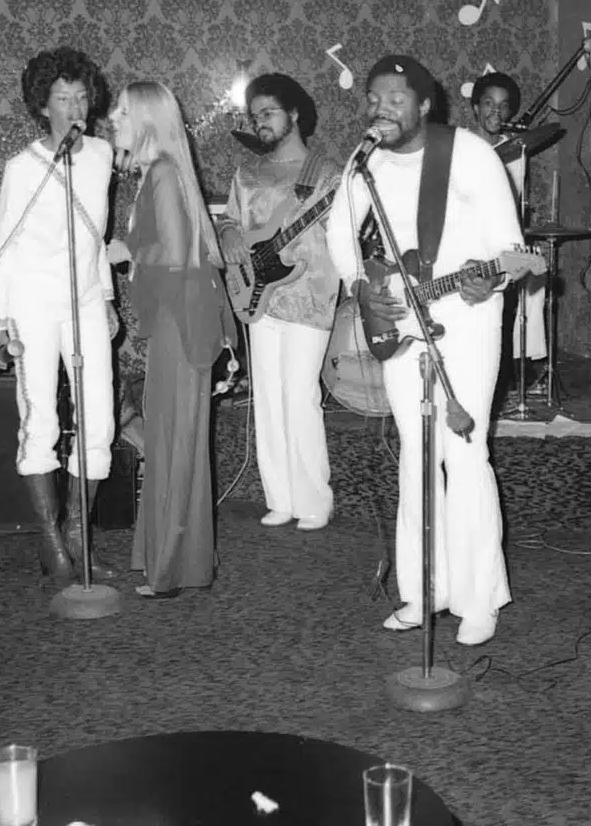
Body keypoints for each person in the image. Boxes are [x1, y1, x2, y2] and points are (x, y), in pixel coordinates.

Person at [326, 55, 529, 646]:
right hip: (401, 318)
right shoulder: (365, 161)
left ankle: (478, 598)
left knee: (464, 454)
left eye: (395, 99)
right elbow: (340, 231)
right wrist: (361, 288)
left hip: (466, 321)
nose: (381, 109)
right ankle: (423, 591)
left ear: (424, 104)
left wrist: (492, 279)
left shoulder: (469, 154)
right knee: (416, 456)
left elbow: (510, 249)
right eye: (373, 99)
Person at [0, 46, 119, 581]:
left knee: (100, 421)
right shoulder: (22, 168)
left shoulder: (102, 156)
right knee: (41, 418)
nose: (74, 107)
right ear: (43, 106)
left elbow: (95, 235)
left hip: (85, 302)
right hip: (33, 304)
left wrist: (105, 297)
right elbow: (3, 247)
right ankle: (50, 540)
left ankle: (78, 534)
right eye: (62, 98)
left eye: (81, 96)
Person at [112, 81, 234, 598]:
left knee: (174, 440)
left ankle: (170, 568)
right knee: (171, 438)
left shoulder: (162, 172)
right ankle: (174, 560)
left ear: (145, 119)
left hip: (182, 325)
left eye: (121, 112)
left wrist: (126, 252)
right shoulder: (158, 173)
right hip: (178, 320)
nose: (112, 120)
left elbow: (177, 255)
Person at [218, 73, 341, 530]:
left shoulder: (327, 174)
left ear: (294, 114)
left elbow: (347, 234)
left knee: (300, 396)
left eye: (268, 112)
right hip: (257, 293)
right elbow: (230, 220)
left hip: (310, 294)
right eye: (255, 116)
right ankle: (281, 498)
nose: (260, 122)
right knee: (268, 399)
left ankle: (314, 501)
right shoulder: (247, 173)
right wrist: (229, 234)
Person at [469, 72, 547, 380]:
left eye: (503, 106)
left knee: (535, 277)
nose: (496, 112)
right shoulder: (459, 145)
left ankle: (518, 364)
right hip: (465, 236)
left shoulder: (516, 150)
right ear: (476, 107)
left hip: (498, 236)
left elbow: (511, 202)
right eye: (489, 103)